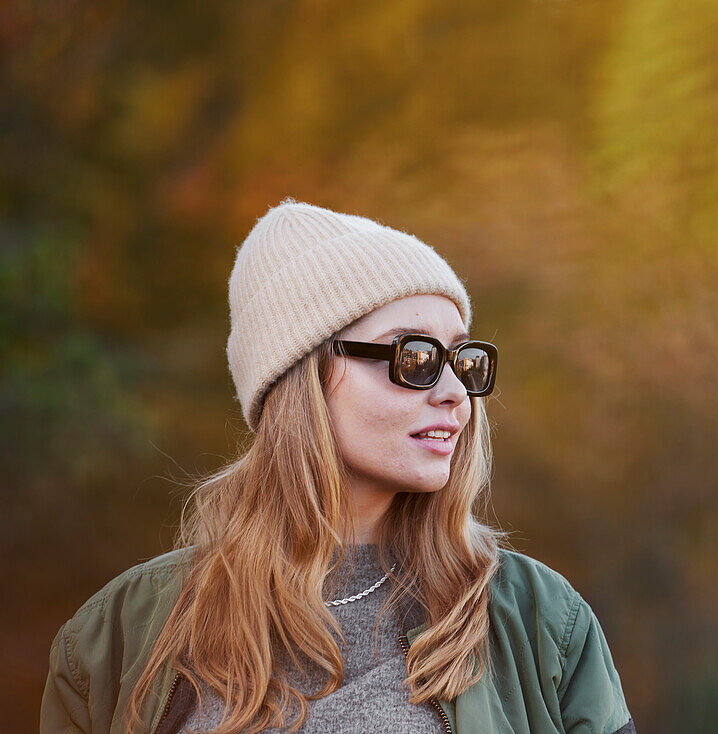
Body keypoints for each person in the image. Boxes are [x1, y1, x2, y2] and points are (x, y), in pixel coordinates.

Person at [40, 199, 635, 734]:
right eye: (417, 355)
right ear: (303, 379)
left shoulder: (539, 623)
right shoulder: (116, 638)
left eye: (462, 357)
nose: (457, 391)